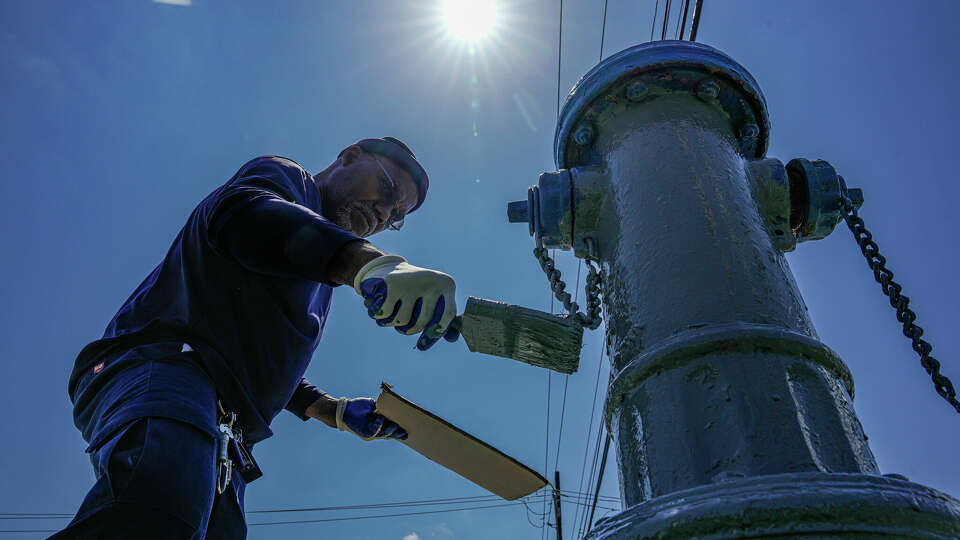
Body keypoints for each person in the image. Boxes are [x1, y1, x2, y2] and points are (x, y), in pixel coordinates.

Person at [51, 137, 458, 539]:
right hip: (161, 366)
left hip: (225, 427)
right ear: (350, 157)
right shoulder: (289, 181)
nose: (384, 212)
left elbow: (259, 361)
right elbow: (242, 217)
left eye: (397, 214)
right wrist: (370, 264)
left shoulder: (321, 281)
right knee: (157, 509)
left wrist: (333, 410)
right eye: (387, 189)